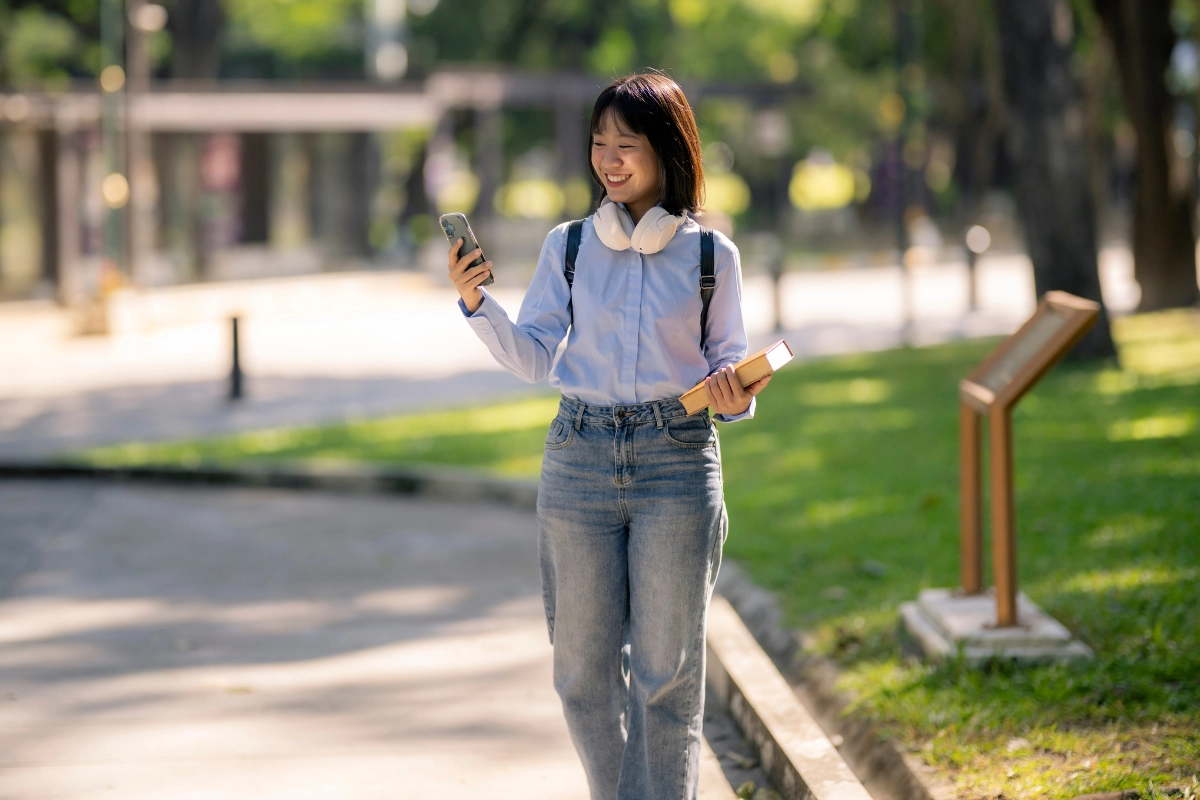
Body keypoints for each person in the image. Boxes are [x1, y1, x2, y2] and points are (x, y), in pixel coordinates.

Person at [446, 72, 771, 800]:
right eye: (599, 143)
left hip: (676, 460)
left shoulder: (712, 256)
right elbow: (535, 356)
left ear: (667, 149)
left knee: (666, 677)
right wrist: (476, 302)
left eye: (627, 144)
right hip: (580, 458)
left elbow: (728, 367)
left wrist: (733, 395)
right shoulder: (567, 247)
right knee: (582, 676)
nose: (609, 159)